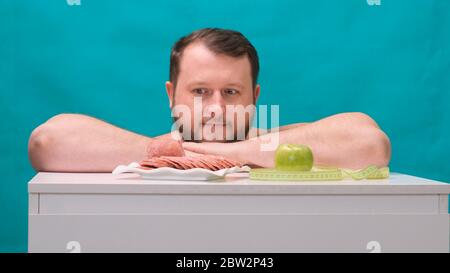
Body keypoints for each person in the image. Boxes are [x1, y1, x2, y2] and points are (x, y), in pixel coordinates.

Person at [28, 28, 391, 172]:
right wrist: (173, 156)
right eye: (200, 92)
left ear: (255, 97)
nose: (216, 108)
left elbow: (370, 143)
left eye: (231, 93)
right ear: (173, 96)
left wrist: (228, 155)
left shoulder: (277, 138)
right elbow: (47, 141)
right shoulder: (154, 151)